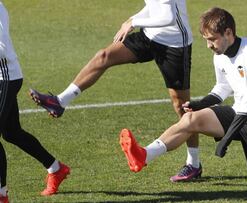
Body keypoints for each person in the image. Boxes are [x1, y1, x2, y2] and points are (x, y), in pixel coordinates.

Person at [119, 7, 247, 203]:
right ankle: (144, 155)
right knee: (190, 119)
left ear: (228, 33)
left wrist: (226, 139)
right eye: (206, 39)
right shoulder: (220, 56)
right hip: (238, 113)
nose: (208, 45)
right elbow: (222, 87)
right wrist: (200, 104)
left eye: (212, 39)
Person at [29, 0, 201, 182]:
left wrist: (133, 23)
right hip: (149, 37)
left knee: (182, 107)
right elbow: (154, 7)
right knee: (104, 56)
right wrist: (134, 18)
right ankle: (59, 102)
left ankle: (194, 164)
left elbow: (168, 17)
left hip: (174, 44)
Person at [0, 2, 70, 202]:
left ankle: (1, 195)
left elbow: (2, 49)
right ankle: (56, 169)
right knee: (11, 133)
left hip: (6, 78)